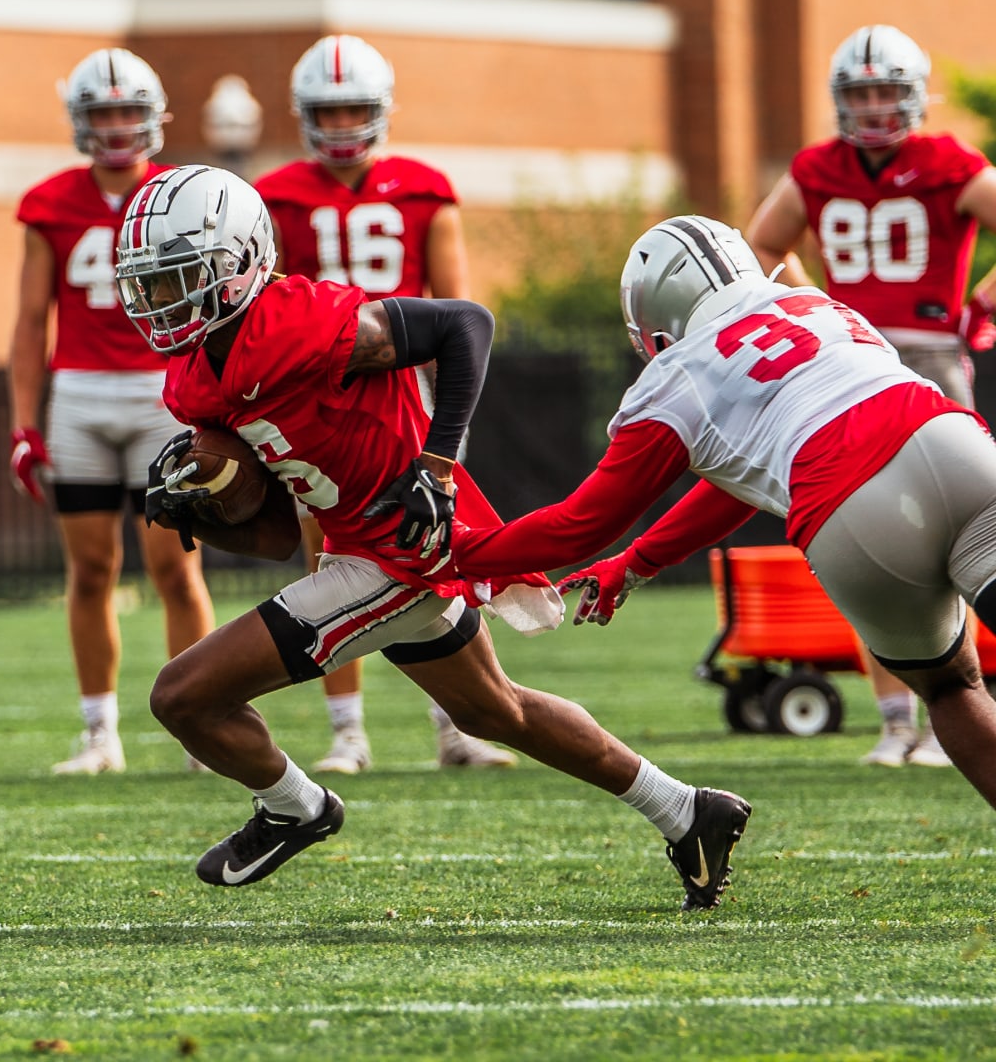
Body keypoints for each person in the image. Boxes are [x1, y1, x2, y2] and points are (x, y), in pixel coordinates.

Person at [113, 164, 751, 911]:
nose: (160, 300)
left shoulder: (301, 322)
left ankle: (296, 808)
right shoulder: (191, 376)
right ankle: (687, 811)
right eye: (150, 283)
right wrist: (206, 508)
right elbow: (278, 531)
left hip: (398, 549)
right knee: (493, 711)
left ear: (237, 264)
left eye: (177, 278)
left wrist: (437, 464)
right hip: (356, 543)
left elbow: (465, 325)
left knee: (182, 698)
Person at [451, 214, 996, 816]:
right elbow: (746, 476)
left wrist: (460, 554)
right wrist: (638, 561)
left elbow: (582, 523)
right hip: (956, 448)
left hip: (853, 513)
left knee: (953, 687)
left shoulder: (677, 378)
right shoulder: (818, 305)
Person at [252, 33, 514, 775]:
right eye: (327, 114)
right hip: (319, 393)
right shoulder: (275, 197)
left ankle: (459, 723)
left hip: (405, 387)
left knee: (439, 543)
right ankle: (348, 732)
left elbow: (458, 307)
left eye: (353, 112)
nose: (340, 128)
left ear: (381, 111)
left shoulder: (426, 190)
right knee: (325, 554)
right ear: (306, 116)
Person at [746, 24, 996, 769]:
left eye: (888, 90)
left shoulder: (950, 163)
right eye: (861, 93)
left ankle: (959, 710)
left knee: (963, 541)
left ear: (916, 95)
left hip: (930, 358)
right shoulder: (817, 168)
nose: (877, 106)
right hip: (846, 359)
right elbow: (757, 245)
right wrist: (809, 299)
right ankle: (895, 723)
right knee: (868, 541)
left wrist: (984, 299)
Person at [8, 48, 215, 776]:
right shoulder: (49, 203)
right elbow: (31, 320)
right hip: (81, 398)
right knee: (90, 569)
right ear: (80, 121)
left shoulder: (186, 195)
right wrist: (23, 423)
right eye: (103, 112)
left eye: (129, 111)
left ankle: (202, 721)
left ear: (155, 117)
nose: (118, 126)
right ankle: (100, 732)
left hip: (164, 394)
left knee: (175, 566)